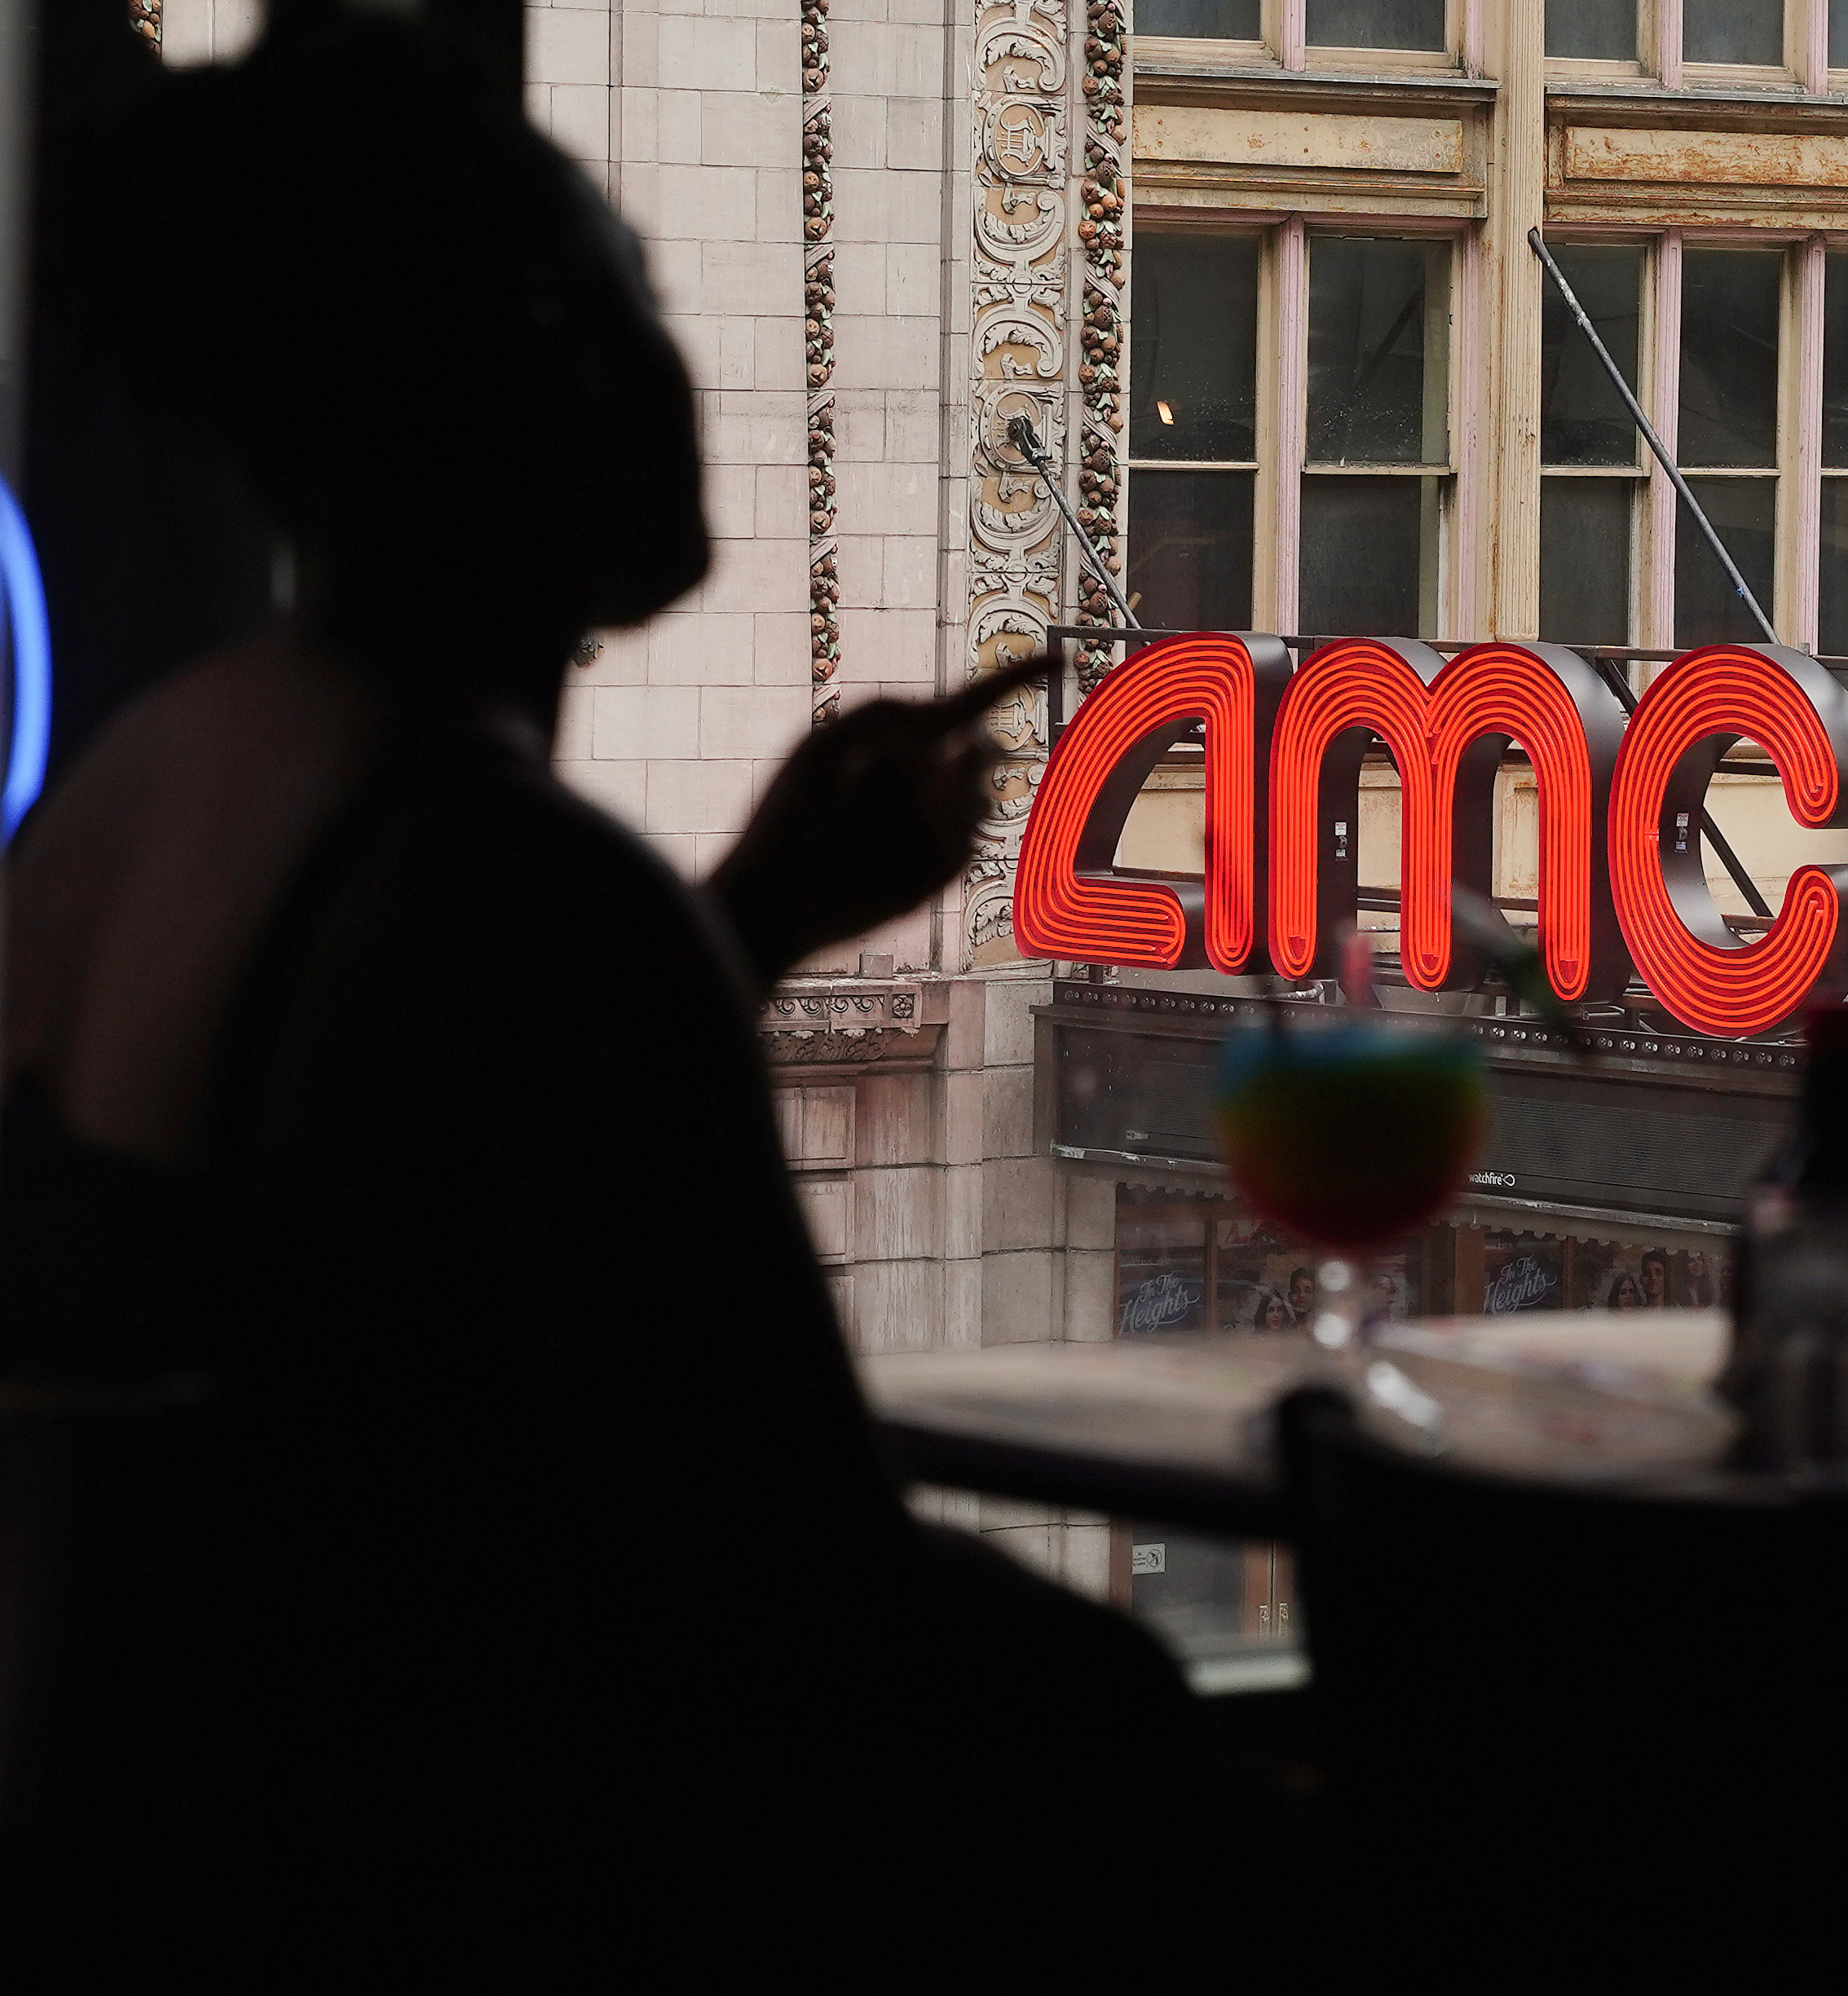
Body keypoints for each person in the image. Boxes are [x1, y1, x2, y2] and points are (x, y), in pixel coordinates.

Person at [1, 20, 1261, 1976]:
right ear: (518, 372)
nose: (673, 369)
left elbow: (380, 1225)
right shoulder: (527, 892)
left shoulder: (139, 792)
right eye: (625, 303)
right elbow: (804, 1569)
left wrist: (749, 915)